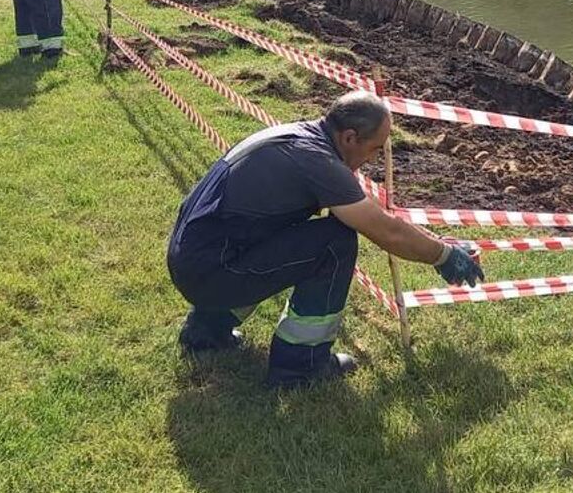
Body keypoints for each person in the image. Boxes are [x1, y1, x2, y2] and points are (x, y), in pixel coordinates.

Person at [166, 92, 485, 389]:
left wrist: (438, 243)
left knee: (294, 234)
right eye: (375, 148)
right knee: (335, 243)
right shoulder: (317, 161)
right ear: (349, 138)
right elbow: (384, 230)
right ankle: (300, 366)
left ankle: (205, 332)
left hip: (194, 258)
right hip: (210, 273)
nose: (374, 159)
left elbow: (375, 214)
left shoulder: (298, 137)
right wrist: (443, 256)